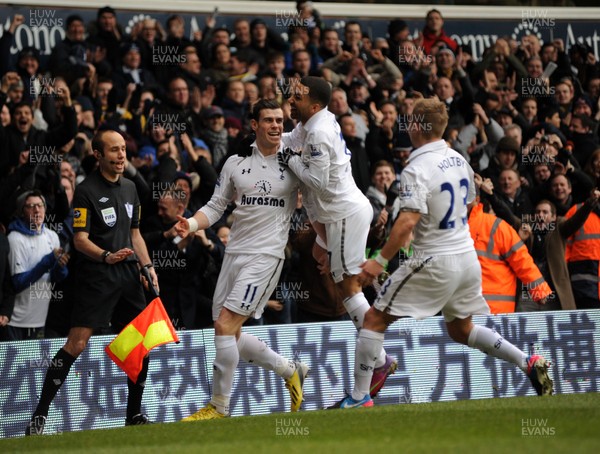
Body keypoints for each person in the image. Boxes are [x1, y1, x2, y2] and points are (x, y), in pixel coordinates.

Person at [336, 98, 553, 409]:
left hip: (435, 259)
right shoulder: (459, 159)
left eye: (410, 120)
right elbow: (467, 203)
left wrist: (379, 261)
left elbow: (407, 220)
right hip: (467, 258)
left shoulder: (415, 168)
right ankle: (526, 361)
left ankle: (358, 398)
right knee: (460, 329)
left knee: (372, 320)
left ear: (417, 126)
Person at [175, 99, 309, 420]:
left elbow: (319, 192)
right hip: (234, 254)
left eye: (280, 121)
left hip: (267, 256)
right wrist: (191, 224)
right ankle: (290, 370)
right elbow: (216, 205)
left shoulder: (293, 164)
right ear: (254, 124)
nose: (276, 126)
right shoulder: (235, 163)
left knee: (224, 324)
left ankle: (219, 406)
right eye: (269, 120)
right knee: (228, 332)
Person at [26, 130, 159, 435]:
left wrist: (148, 266)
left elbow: (135, 235)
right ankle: (39, 416)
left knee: (140, 345)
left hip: (128, 274)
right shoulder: (86, 191)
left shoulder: (131, 188)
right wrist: (106, 256)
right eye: (114, 150)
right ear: (98, 156)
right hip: (98, 275)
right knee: (77, 343)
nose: (121, 155)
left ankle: (134, 414)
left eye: (124, 149)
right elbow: (80, 239)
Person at [279, 76, 396, 400]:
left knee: (347, 288)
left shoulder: (318, 130)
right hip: (335, 216)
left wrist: (288, 159)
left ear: (313, 104)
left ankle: (381, 361)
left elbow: (315, 180)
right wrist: (274, 138)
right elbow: (291, 138)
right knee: (324, 262)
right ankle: (380, 355)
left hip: (342, 214)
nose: (291, 99)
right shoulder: (316, 120)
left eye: (297, 96)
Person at [3, 191, 69, 341]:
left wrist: (60, 267)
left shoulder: (52, 236)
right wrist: (47, 261)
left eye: (40, 205)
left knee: (34, 365)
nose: (37, 210)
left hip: (39, 320)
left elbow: (56, 279)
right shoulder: (15, 238)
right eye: (31, 206)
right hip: (15, 321)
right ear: (22, 211)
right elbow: (17, 283)